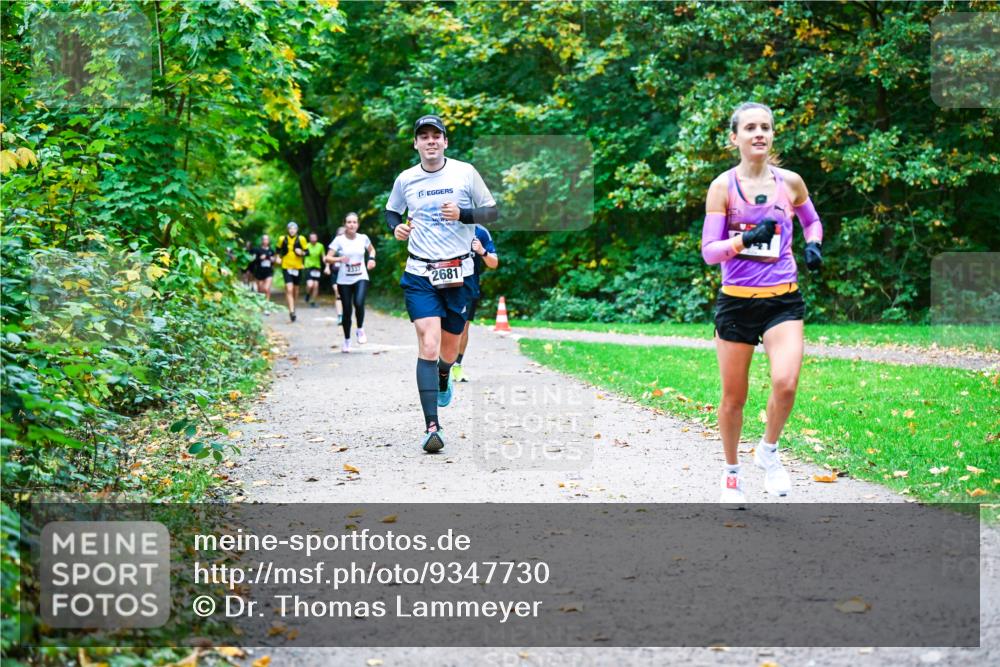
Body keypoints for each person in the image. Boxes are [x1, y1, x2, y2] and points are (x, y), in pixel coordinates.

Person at [701, 102, 824, 506]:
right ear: (734, 137)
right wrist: (745, 240)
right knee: (733, 397)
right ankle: (731, 473)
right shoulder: (723, 187)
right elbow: (709, 251)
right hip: (737, 304)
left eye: (765, 128)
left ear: (772, 135)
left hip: (782, 300)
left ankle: (768, 450)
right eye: (750, 127)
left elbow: (812, 221)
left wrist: (813, 246)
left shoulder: (790, 183)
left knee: (786, 383)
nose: (759, 134)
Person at [386, 114, 498, 452]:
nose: (431, 141)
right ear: (416, 143)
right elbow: (392, 212)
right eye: (424, 136)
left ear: (445, 142)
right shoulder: (406, 179)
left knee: (448, 352)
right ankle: (432, 427)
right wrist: (396, 227)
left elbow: (492, 212)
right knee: (429, 345)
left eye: (436, 135)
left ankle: (445, 374)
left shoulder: (465, 172)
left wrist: (463, 215)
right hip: (420, 273)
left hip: (459, 273)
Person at [452, 224, 499, 383]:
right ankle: (440, 365)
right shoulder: (445, 226)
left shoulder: (481, 231)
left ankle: (457, 366)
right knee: (440, 326)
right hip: (444, 285)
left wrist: (482, 251)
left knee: (463, 328)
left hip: (469, 287)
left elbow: (494, 263)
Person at [326, 212, 376, 353]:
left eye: (354, 222)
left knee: (359, 303)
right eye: (349, 222)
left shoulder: (363, 238)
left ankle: (360, 329)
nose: (352, 225)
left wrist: (372, 259)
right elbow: (327, 258)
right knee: (347, 311)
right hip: (344, 280)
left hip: (361, 277)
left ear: (357, 224)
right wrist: (339, 259)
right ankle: (347, 340)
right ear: (345, 224)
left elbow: (372, 250)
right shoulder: (339, 240)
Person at [275, 221, 309, 322]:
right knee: (289, 289)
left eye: (294, 229)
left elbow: (307, 252)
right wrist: (277, 257)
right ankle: (291, 311)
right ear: (287, 230)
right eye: (290, 228)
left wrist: (302, 252)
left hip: (297, 267)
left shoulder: (301, 239)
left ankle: (293, 306)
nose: (292, 230)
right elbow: (277, 249)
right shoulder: (282, 239)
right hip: (286, 266)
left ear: (297, 230)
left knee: (295, 290)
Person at [304, 231, 325, 308]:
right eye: (312, 238)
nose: (313, 239)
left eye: (314, 237)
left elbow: (323, 256)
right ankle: (307, 294)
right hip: (308, 267)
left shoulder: (320, 246)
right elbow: (302, 255)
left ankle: (313, 302)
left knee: (316, 285)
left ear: (317, 238)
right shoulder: (306, 246)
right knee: (310, 285)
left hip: (317, 268)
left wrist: (326, 264)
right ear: (309, 239)